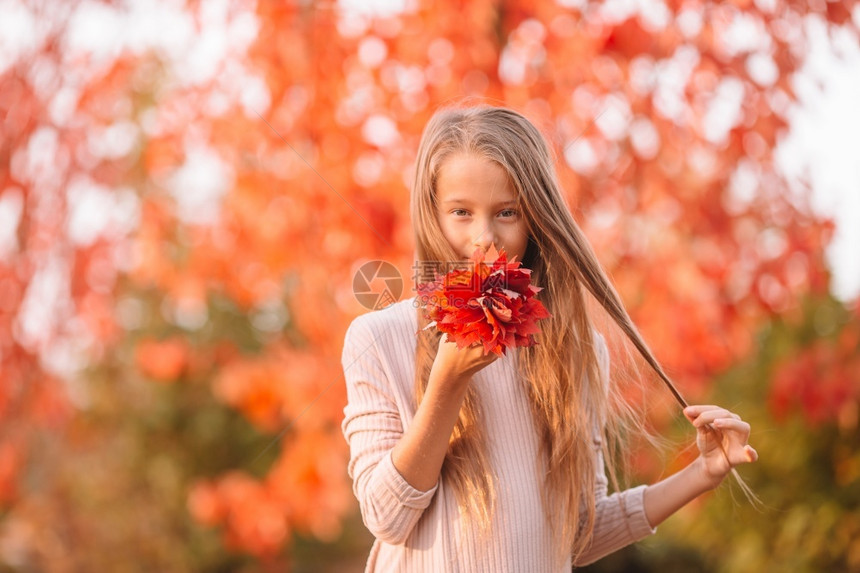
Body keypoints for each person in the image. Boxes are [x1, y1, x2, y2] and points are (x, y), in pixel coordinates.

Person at [341, 104, 758, 572]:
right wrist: (446, 385)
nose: (485, 238)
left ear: (536, 220)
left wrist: (703, 473)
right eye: (461, 212)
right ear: (431, 214)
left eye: (507, 212)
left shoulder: (575, 351)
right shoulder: (379, 338)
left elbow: (578, 531)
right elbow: (386, 517)